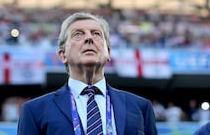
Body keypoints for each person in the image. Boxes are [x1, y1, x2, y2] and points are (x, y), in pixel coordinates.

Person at [17, 11, 158, 135]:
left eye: (96, 34)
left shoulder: (140, 107)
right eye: (78, 34)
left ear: (108, 52)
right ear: (62, 55)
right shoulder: (35, 111)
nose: (89, 38)